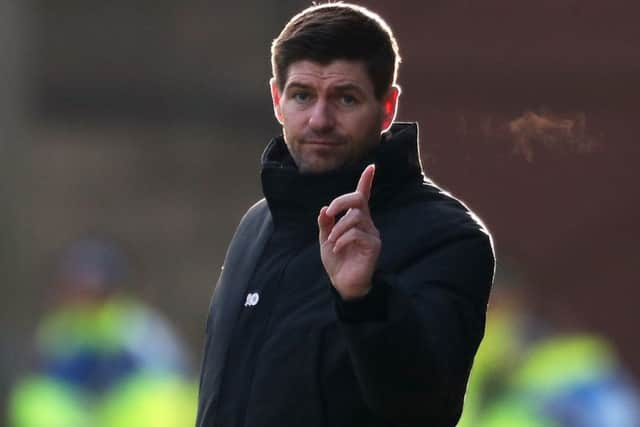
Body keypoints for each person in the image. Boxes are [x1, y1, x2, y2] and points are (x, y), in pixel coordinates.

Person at [196, 3, 494, 427]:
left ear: (387, 107)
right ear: (277, 101)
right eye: (302, 95)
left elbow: (427, 410)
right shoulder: (257, 225)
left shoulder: (448, 238)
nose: (320, 119)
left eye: (346, 98)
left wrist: (365, 300)